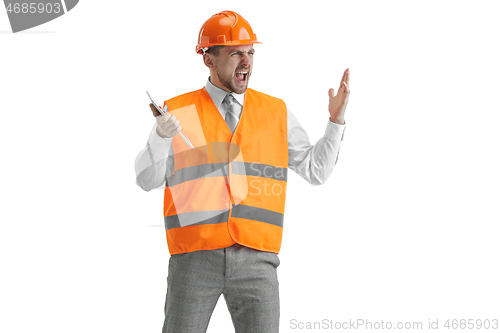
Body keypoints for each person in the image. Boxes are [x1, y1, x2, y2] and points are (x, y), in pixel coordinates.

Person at [135, 10, 350, 333]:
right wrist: (160, 136)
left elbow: (316, 171)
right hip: (194, 257)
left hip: (258, 260)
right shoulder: (178, 111)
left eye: (250, 52)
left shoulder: (275, 111)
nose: (246, 61)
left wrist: (335, 122)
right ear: (209, 59)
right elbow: (146, 180)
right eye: (235, 52)